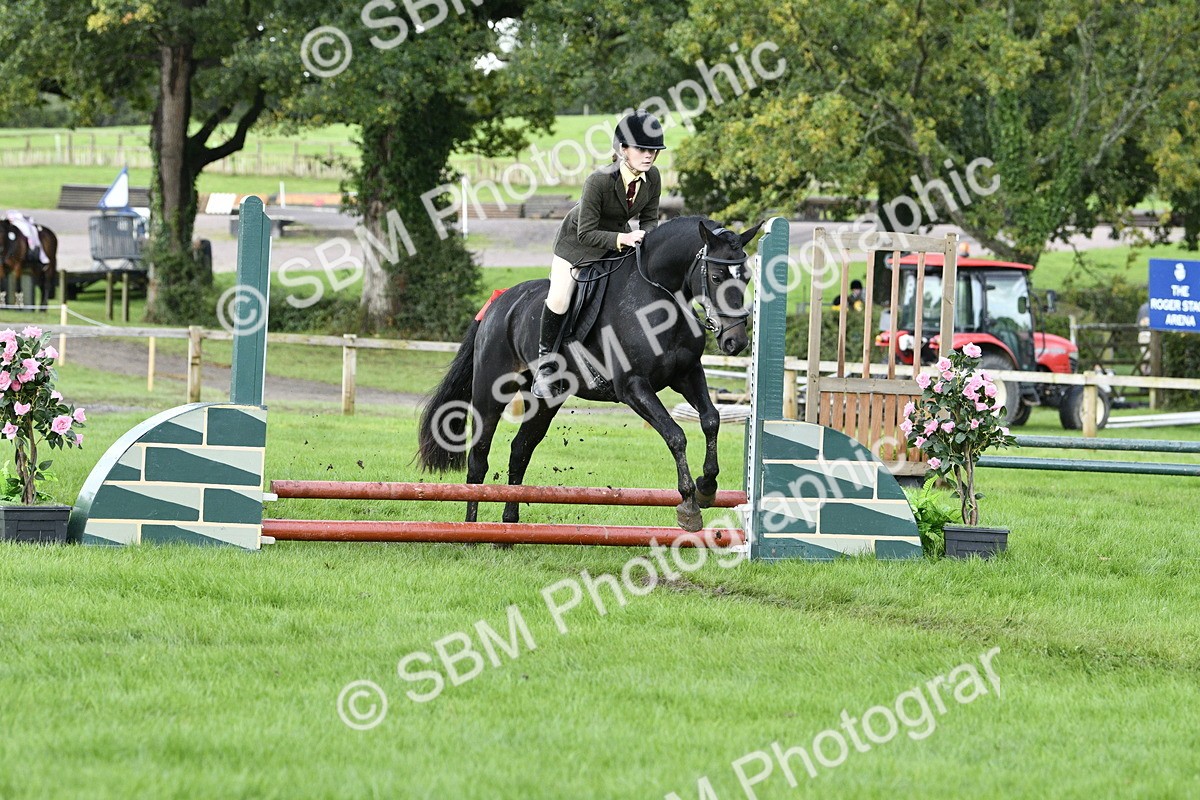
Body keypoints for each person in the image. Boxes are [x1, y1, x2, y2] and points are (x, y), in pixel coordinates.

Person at [531, 110, 666, 399]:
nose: (649, 156)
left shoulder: (652, 177)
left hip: (616, 244)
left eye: (653, 150)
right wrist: (624, 238)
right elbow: (586, 232)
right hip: (577, 246)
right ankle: (545, 367)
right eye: (642, 149)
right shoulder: (599, 181)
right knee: (559, 297)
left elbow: (649, 219)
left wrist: (650, 241)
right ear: (622, 150)